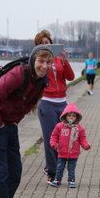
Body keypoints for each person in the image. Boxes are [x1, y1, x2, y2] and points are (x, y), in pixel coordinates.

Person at [0, 45, 53, 198]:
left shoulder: (41, 81)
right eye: (41, 61)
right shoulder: (18, 75)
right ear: (33, 60)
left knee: (14, 172)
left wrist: (13, 122)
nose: (44, 66)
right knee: (0, 173)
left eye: (48, 63)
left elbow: (27, 105)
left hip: (9, 125)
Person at [34, 30, 75, 184]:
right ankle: (52, 172)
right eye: (43, 44)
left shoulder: (58, 59)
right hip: (46, 102)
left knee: (62, 138)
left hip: (62, 103)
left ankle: (52, 167)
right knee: (51, 138)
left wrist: (64, 61)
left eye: (49, 43)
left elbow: (70, 77)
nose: (47, 46)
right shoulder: (38, 62)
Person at [49, 103, 90, 188]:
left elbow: (82, 138)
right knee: (60, 167)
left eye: (73, 116)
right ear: (65, 116)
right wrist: (53, 143)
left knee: (71, 167)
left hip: (73, 152)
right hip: (62, 151)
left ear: (77, 117)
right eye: (69, 116)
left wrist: (85, 145)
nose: (71, 117)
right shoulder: (59, 126)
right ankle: (57, 179)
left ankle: (71, 180)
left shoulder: (79, 128)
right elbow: (54, 136)